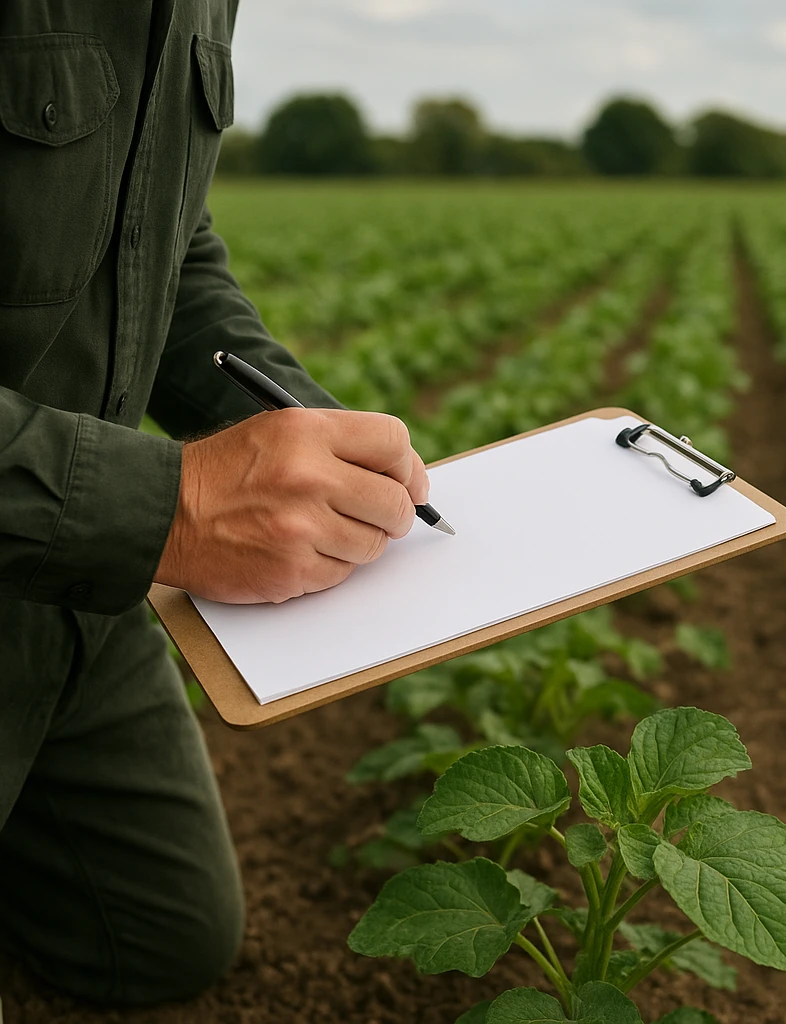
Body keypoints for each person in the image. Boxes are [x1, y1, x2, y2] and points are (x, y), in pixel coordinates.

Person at [0, 0, 429, 1005]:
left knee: (162, 936)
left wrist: (321, 437)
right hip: (89, 519)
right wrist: (171, 507)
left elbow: (164, 237)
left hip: (69, 580)